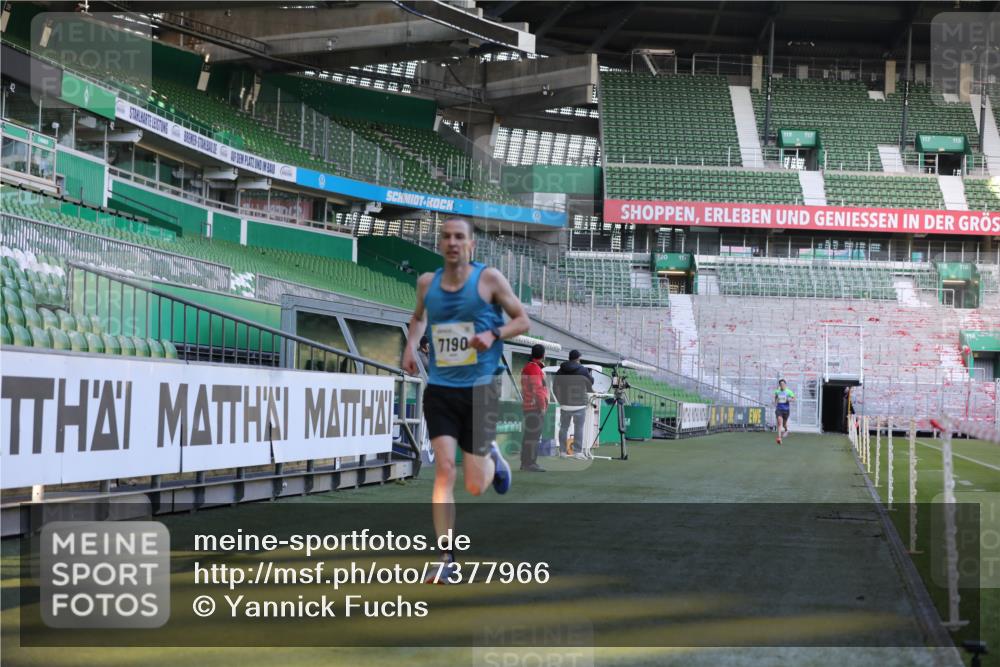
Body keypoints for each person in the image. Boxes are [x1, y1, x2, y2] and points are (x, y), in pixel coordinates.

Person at [402, 216, 530, 583]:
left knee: (475, 485)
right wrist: (411, 346)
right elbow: (418, 318)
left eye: (460, 237)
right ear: (440, 243)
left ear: (471, 245)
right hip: (441, 389)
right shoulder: (427, 283)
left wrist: (494, 333)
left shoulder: (488, 279)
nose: (453, 242)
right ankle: (446, 557)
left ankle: (492, 458)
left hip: (480, 390)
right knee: (444, 471)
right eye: (446, 237)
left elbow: (522, 320)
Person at [553, 350, 594, 459]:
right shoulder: (582, 370)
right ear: (578, 358)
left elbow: (554, 387)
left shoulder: (560, 370)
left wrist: (560, 400)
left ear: (569, 357)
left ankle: (562, 452)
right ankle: (577, 452)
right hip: (579, 404)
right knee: (578, 428)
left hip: (565, 404)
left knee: (564, 428)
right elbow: (591, 382)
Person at [520, 344, 548, 472]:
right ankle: (530, 463)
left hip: (529, 406)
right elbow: (538, 390)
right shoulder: (535, 369)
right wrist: (542, 406)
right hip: (534, 407)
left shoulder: (529, 367)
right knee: (533, 436)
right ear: (543, 355)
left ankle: (526, 463)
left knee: (529, 435)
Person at [774, 378, 795, 445]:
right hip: (779, 409)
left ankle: (786, 430)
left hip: (786, 410)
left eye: (783, 384)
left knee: (784, 424)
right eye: (781, 384)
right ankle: (779, 438)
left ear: (785, 384)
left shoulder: (789, 391)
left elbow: (794, 398)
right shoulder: (777, 391)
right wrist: (775, 402)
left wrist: (789, 400)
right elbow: (776, 397)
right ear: (779, 385)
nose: (782, 385)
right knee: (779, 422)